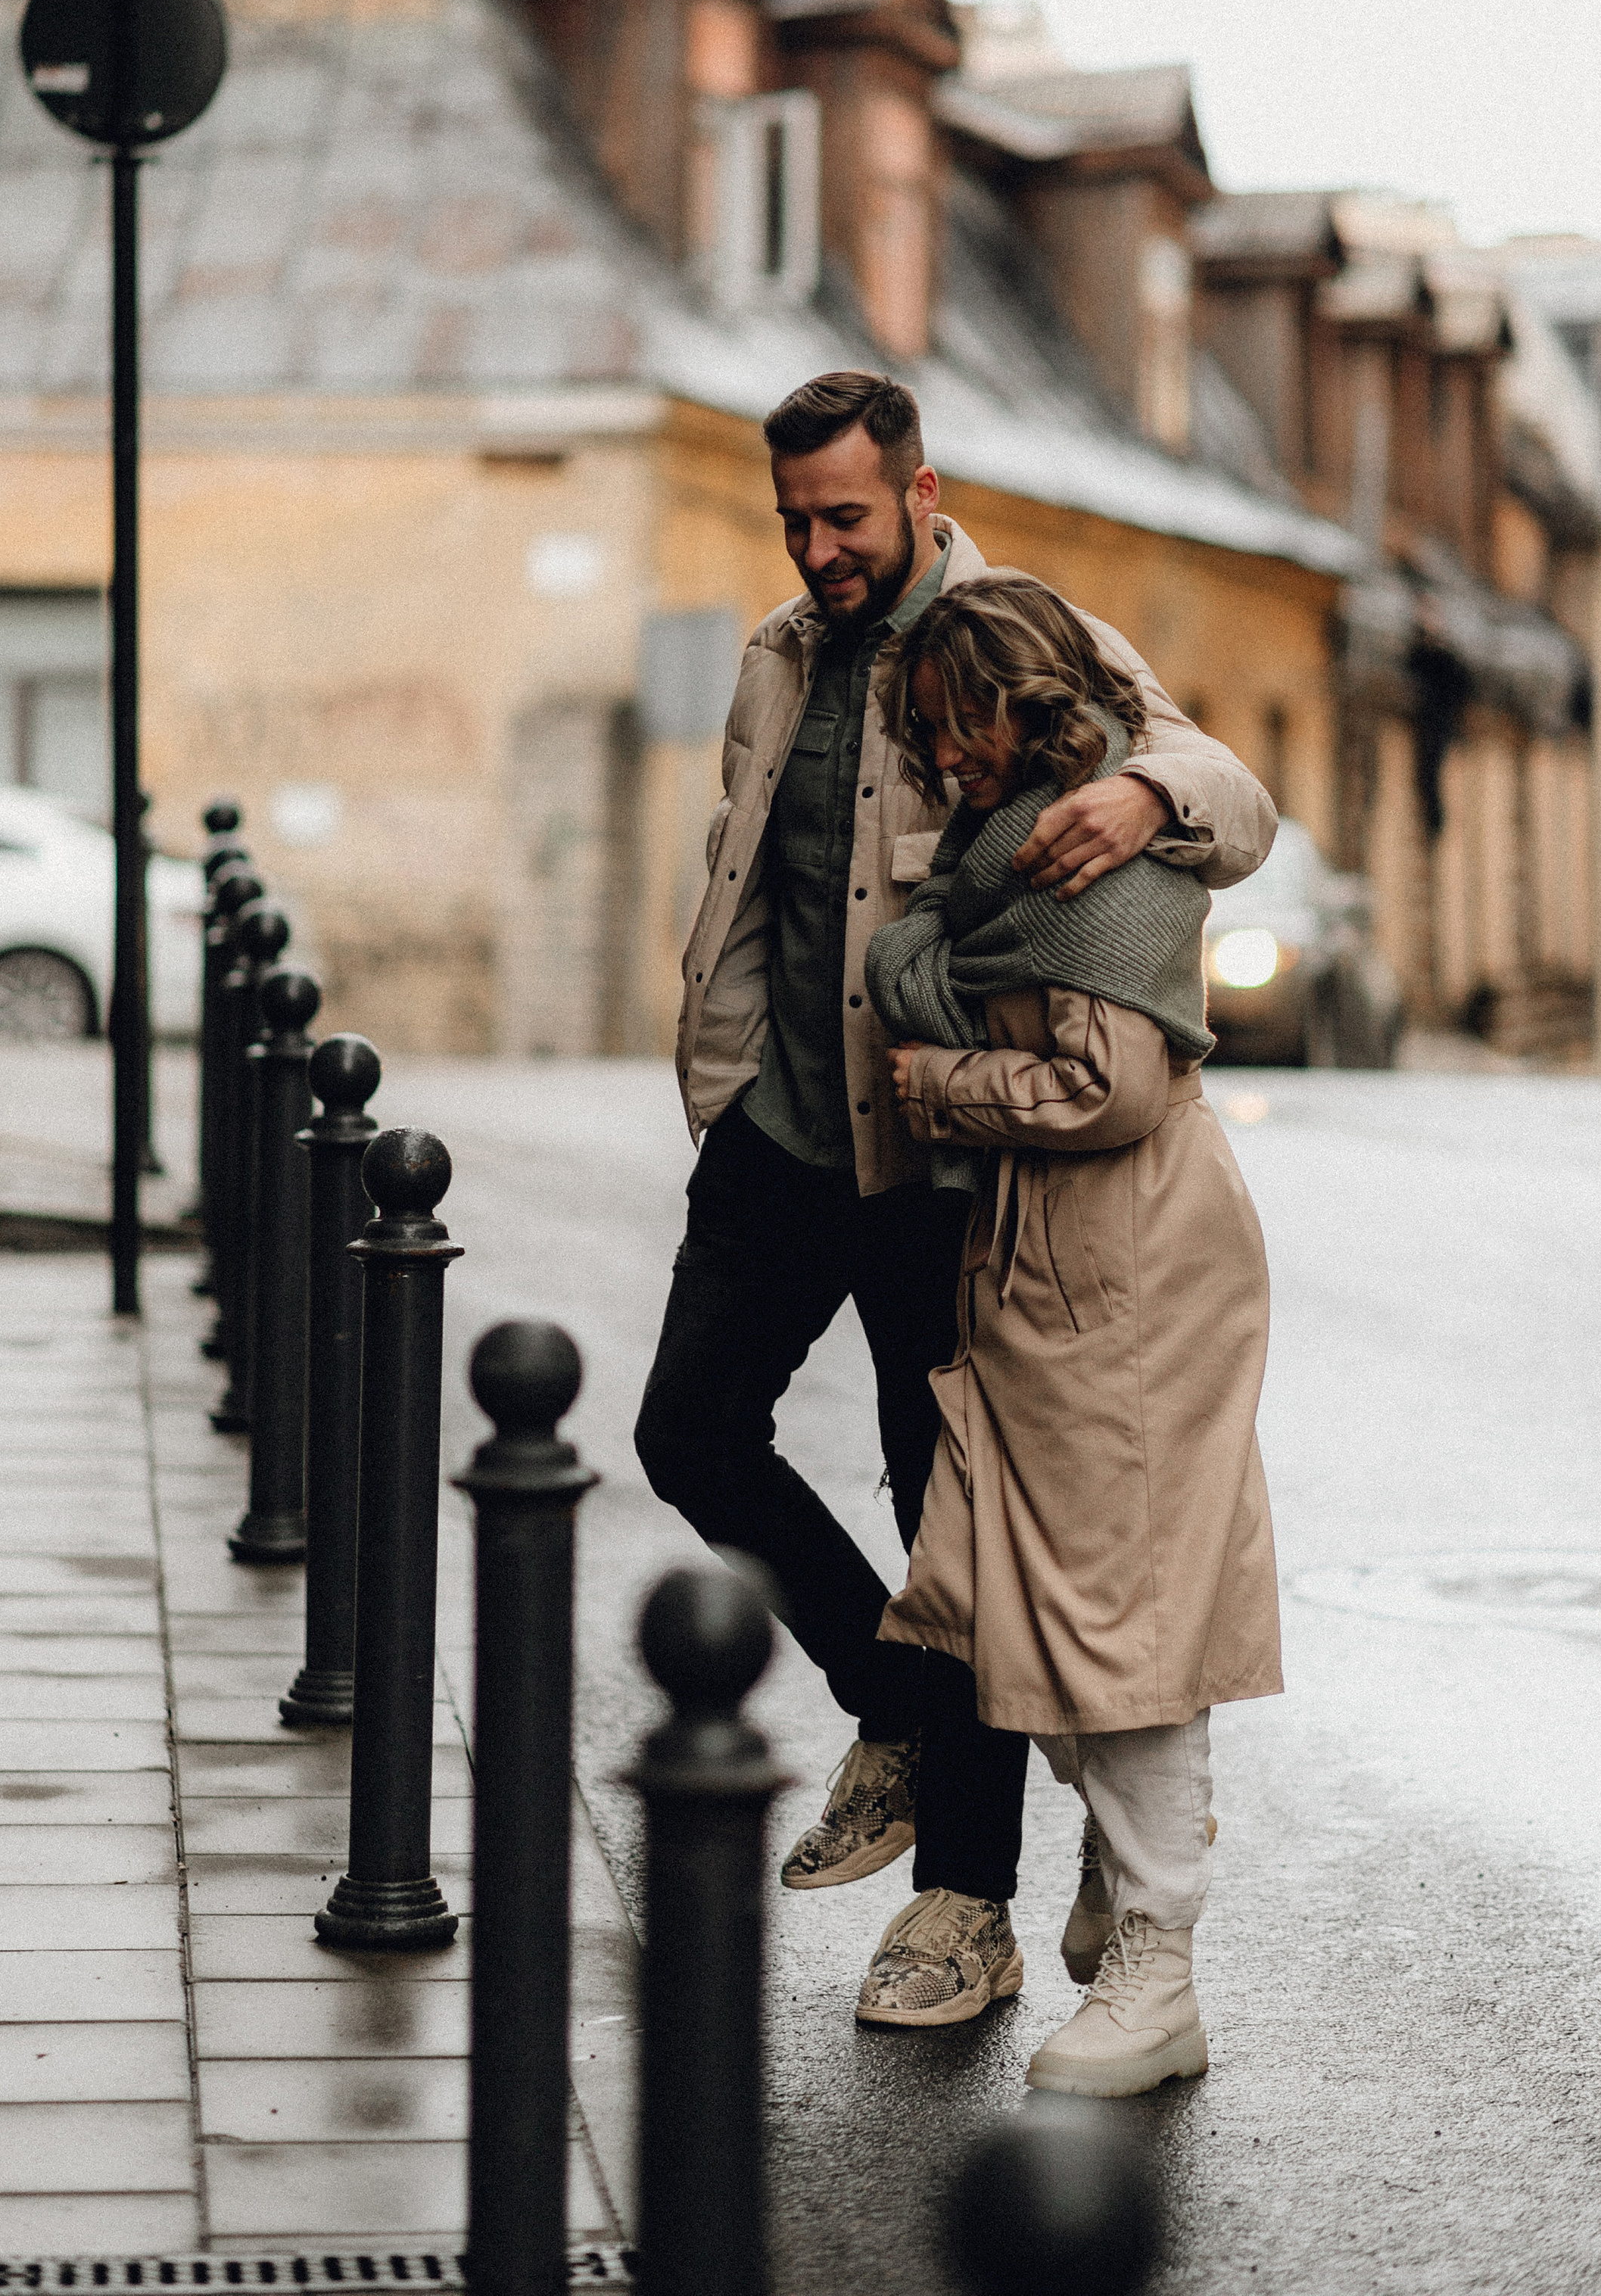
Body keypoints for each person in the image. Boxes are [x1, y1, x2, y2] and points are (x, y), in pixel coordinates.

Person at [634, 367, 1276, 2027]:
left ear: (919, 492)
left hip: (944, 1157)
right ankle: (893, 1700)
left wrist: (1148, 794)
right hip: (781, 1130)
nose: (816, 547)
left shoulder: (1014, 629)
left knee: (953, 1513)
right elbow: (750, 871)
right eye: (792, 519)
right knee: (687, 1429)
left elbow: (1228, 789)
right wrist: (715, 1090)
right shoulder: (776, 656)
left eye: (842, 514)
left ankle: (961, 1911)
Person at [864, 572, 1282, 2093]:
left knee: (1122, 1618)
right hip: (1053, 1255)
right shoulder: (1007, 855)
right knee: (1014, 1599)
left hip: (1128, 1257)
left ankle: (1158, 1964)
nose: (929, 762)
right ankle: (1127, 1862)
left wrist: (935, 1091)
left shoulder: (1088, 865)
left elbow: (1102, 1092)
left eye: (940, 732)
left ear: (1000, 713)